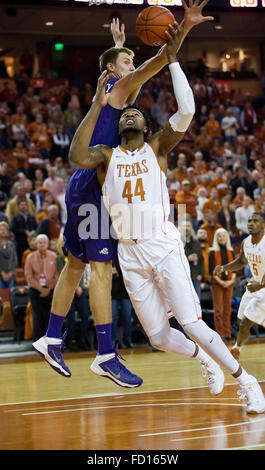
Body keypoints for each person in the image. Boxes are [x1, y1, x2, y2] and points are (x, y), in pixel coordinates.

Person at [68, 37, 265, 414]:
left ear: (145, 124)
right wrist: (97, 102)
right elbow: (76, 155)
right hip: (130, 251)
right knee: (158, 336)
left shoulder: (156, 148)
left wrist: (173, 61)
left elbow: (187, 109)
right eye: (125, 114)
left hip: (162, 242)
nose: (129, 116)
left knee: (190, 321)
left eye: (135, 115)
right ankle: (205, 358)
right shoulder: (106, 156)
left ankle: (247, 381)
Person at [32, 1, 214, 387]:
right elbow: (161, 59)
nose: (135, 68)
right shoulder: (119, 86)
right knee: (99, 269)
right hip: (95, 187)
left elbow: (129, 66)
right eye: (128, 63)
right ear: (113, 71)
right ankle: (106, 354)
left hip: (86, 184)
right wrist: (183, 26)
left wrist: (120, 45)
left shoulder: (116, 88)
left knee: (75, 265)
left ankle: (50, 337)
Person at [214, 212, 265, 362]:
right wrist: (224, 267)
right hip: (254, 286)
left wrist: (260, 285)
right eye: (249, 221)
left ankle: (236, 349)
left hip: (262, 288)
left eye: (256, 221)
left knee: (245, 323)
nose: (251, 223)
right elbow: (242, 261)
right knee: (240, 319)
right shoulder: (246, 242)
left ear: (263, 225)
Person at [25, 234, 58, 341]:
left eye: (44, 242)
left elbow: (57, 275)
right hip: (35, 291)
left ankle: (50, 341)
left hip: (51, 290)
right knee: (37, 316)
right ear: (36, 244)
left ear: (47, 244)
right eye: (40, 242)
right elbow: (28, 277)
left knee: (50, 316)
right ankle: (38, 342)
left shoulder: (54, 256)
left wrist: (49, 288)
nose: (42, 244)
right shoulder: (29, 257)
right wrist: (41, 289)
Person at [209, 228, 236, 340]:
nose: (222, 238)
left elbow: (235, 269)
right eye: (219, 236)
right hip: (217, 284)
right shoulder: (212, 252)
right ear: (216, 238)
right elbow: (212, 270)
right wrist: (221, 282)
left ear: (227, 238)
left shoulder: (231, 251)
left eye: (224, 236)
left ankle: (228, 333)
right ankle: (220, 334)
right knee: (218, 310)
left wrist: (231, 281)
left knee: (227, 309)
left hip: (229, 283)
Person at [111, 258, 133, 349]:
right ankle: (114, 340)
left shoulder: (126, 257)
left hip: (125, 292)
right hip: (112, 293)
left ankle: (127, 339)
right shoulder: (109, 258)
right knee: (113, 317)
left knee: (127, 316)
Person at [181, 219, 204, 300]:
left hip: (195, 276)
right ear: (181, 228)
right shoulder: (178, 242)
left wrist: (201, 274)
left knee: (197, 301)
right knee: (184, 300)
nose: (186, 228)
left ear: (191, 228)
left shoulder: (196, 242)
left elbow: (201, 259)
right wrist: (187, 258)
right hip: (182, 277)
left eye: (188, 226)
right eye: (184, 226)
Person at [10, 198, 37, 266]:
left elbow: (36, 227)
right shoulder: (15, 217)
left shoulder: (32, 217)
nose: (23, 206)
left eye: (25, 205)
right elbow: (13, 229)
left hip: (31, 241)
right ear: (18, 206)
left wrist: (33, 231)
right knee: (21, 256)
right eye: (22, 205)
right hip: (20, 241)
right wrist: (24, 231)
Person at [0, 221, 17, 289]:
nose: (3, 231)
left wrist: (11, 272)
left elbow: (14, 259)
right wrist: (2, 273)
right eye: (1, 229)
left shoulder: (11, 244)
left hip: (11, 275)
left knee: (10, 296)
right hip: (0, 275)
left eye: (5, 229)